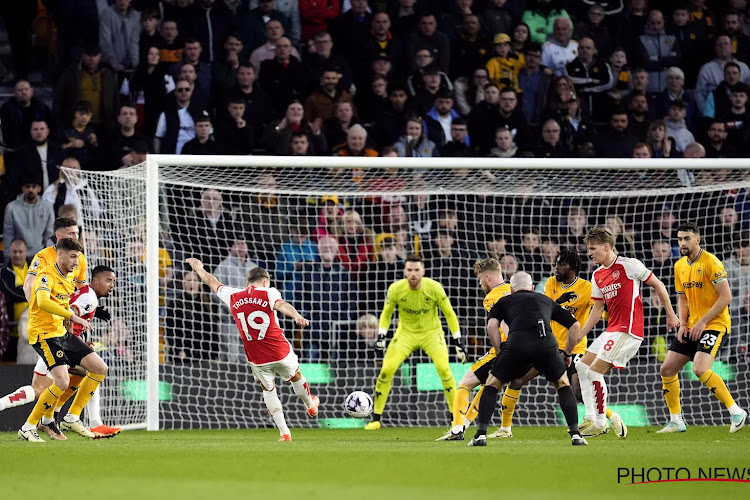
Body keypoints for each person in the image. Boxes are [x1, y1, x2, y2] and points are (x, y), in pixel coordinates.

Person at [498, 250, 627, 439]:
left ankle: (610, 417)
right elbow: (547, 307)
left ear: (572, 268)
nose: (555, 267)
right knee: (517, 380)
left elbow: (601, 309)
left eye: (560, 264)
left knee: (579, 393)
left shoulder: (587, 287)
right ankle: (505, 429)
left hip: (574, 347)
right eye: (555, 263)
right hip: (548, 346)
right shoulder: (551, 283)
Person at [186, 259, 320, 441]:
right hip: (279, 349)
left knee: (268, 389)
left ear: (247, 283)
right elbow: (281, 305)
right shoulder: (269, 292)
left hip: (256, 356)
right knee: (296, 376)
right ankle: (310, 405)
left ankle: (284, 433)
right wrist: (296, 315)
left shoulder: (233, 295)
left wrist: (199, 268)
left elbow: (211, 281)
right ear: (265, 282)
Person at [571, 227, 679, 437]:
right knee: (581, 366)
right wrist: (582, 333)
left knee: (594, 372)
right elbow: (598, 309)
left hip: (629, 331)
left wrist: (671, 314)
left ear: (606, 246)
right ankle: (591, 418)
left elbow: (658, 285)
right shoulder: (597, 275)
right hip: (612, 330)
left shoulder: (629, 265)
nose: (590, 253)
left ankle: (601, 422)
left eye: (593, 248)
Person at [467, 271, 587, 447]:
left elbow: (492, 325)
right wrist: (568, 353)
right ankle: (576, 435)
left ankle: (480, 435)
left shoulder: (504, 301)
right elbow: (575, 325)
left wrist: (500, 351)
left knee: (492, 385)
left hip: (517, 344)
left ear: (511, 289)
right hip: (546, 344)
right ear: (532, 287)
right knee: (562, 384)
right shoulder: (546, 300)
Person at [657, 223, 747, 433]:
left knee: (699, 368)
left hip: (715, 324)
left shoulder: (711, 263)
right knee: (667, 369)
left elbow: (726, 297)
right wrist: (682, 323)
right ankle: (676, 420)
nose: (683, 243)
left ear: (697, 240)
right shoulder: (679, 265)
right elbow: (682, 299)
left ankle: (736, 411)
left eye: (687, 238)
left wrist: (703, 321)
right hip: (693, 325)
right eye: (680, 239)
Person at [18, 238, 107, 443]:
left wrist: (68, 320)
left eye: (78, 257)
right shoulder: (46, 274)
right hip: (44, 334)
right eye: (73, 256)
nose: (77, 262)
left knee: (99, 367)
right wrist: (72, 316)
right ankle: (29, 426)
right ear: (60, 255)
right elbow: (42, 301)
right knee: (62, 381)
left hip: (61, 332)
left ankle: (71, 416)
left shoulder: (70, 277)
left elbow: (63, 302)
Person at [365, 254, 466, 430]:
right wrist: (381, 335)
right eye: (409, 270)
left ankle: (455, 418)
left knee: (444, 369)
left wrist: (458, 340)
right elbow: (386, 313)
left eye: (416, 270)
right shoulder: (396, 289)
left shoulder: (434, 288)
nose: (413, 274)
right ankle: (375, 419)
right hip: (405, 334)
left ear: (423, 271)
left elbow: (449, 313)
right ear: (404, 271)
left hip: (432, 333)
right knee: (386, 371)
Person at [436, 257, 510, 441]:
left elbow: (503, 322)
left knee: (464, 384)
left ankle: (456, 428)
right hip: (526, 349)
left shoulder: (492, 297)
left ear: (488, 278)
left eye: (480, 279)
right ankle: (465, 426)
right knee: (488, 386)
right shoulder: (513, 289)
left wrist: (506, 346)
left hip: (503, 349)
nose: (479, 283)